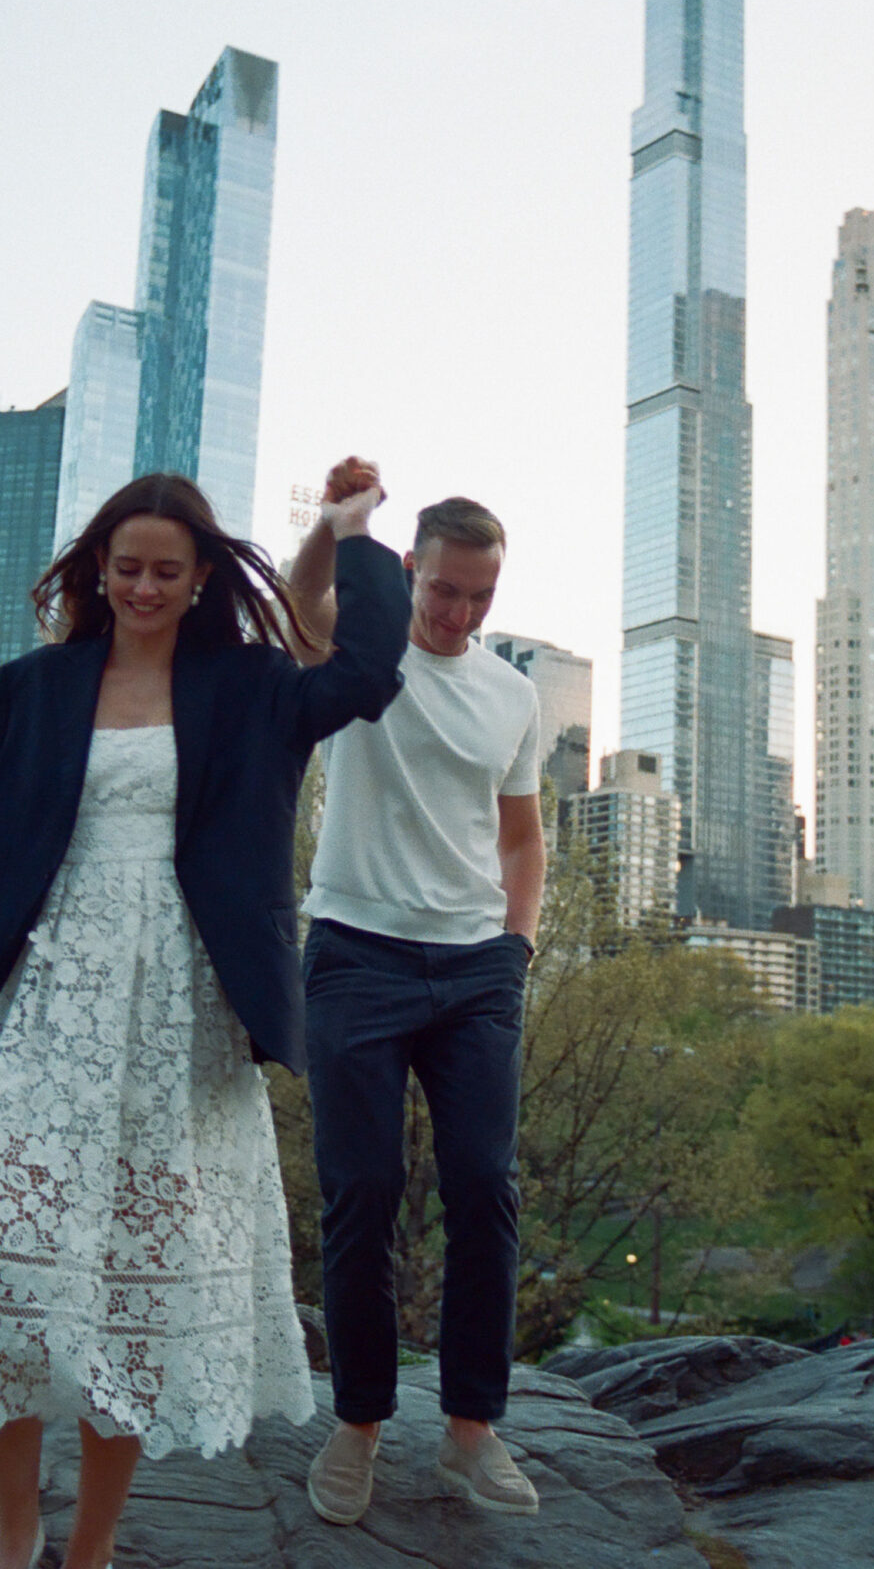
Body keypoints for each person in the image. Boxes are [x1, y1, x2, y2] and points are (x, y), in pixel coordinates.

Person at [0, 469, 407, 1569]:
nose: (141, 585)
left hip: (182, 1012)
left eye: (164, 571)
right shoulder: (35, 686)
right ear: (98, 568)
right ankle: (10, 1525)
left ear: (198, 581)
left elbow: (369, 672)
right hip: (45, 997)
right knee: (0, 1257)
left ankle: (89, 1545)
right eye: (124, 566)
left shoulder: (255, 686)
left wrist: (348, 533)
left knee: (133, 1280)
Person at [283, 465, 549, 1523]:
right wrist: (334, 524)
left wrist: (516, 948)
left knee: (485, 1186)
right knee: (364, 1189)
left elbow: (522, 835)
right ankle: (358, 1423)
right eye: (444, 590)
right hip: (357, 952)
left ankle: (471, 1430)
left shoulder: (515, 694)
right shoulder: (366, 648)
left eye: (480, 596)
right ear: (409, 572)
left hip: (474, 967)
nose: (459, 612)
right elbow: (303, 603)